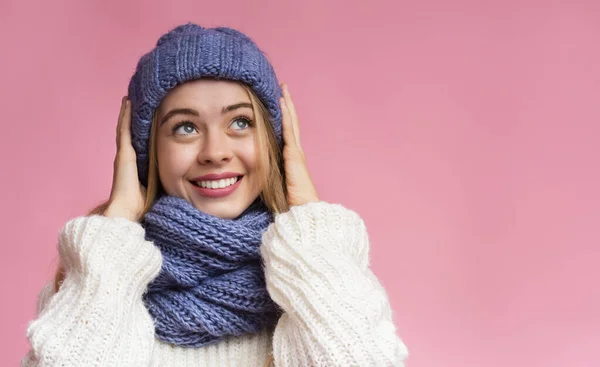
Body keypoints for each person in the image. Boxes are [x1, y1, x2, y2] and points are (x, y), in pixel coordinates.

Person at [22, 23, 409, 366]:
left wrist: (310, 223)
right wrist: (118, 221)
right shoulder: (98, 275)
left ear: (274, 141)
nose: (215, 151)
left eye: (240, 122)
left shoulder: (325, 272)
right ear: (147, 151)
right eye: (185, 128)